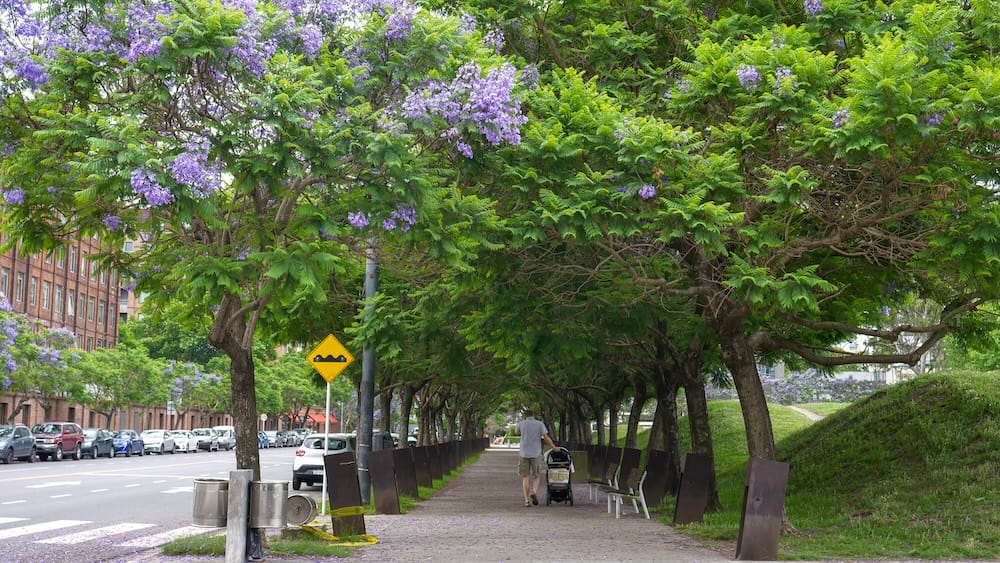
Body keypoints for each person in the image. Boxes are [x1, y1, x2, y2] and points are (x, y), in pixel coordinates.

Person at [516, 408, 558, 507]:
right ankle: (534, 491)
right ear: (533, 415)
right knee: (537, 475)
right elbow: (546, 437)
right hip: (536, 453)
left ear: (525, 415)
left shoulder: (521, 424)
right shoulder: (539, 424)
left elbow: (517, 431)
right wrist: (554, 447)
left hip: (523, 453)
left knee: (525, 477)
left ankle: (526, 500)